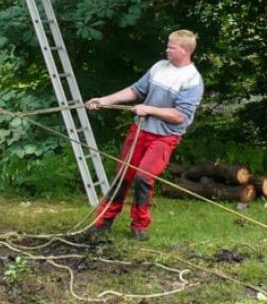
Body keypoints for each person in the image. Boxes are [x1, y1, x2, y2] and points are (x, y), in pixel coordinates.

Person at [85, 29, 203, 241]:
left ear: (184, 50)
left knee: (143, 177)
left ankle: (140, 225)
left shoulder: (192, 80)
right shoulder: (159, 67)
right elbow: (135, 91)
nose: (167, 49)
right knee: (122, 176)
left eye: (171, 47)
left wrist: (149, 110)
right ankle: (103, 222)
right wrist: (104, 100)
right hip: (140, 131)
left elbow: (180, 117)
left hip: (164, 138)